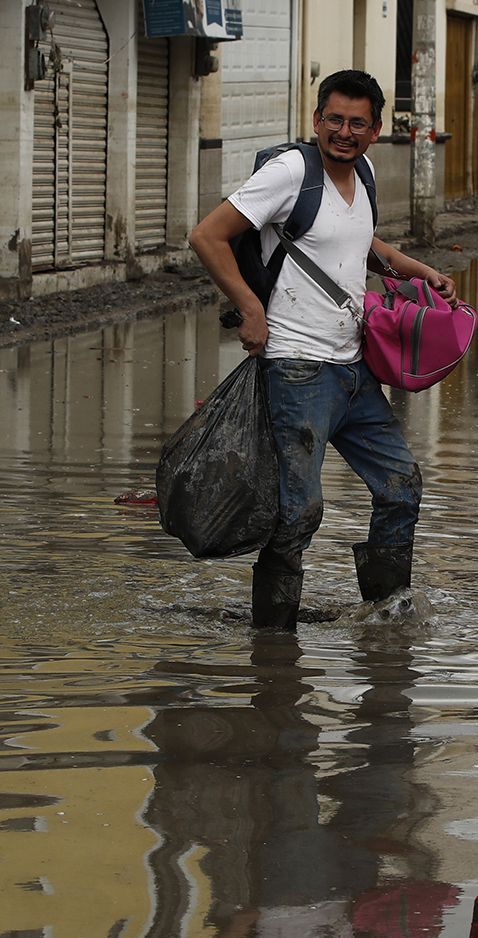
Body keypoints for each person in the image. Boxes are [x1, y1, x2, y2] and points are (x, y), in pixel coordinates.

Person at [188, 70, 457, 631]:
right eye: (333, 119)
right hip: (297, 368)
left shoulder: (364, 172)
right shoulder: (289, 173)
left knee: (401, 485)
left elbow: (360, 242)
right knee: (300, 510)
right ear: (316, 120)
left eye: (357, 123)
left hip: (354, 369)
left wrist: (420, 272)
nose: (344, 131)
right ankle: (274, 641)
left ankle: (386, 612)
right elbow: (206, 236)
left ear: (376, 130)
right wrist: (251, 308)